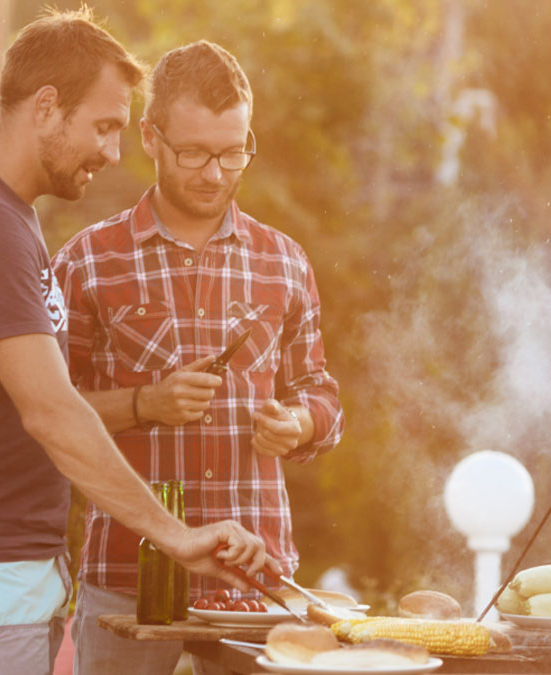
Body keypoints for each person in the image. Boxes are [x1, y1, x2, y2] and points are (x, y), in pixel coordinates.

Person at [0, 12, 278, 675]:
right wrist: (175, 534)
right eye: (103, 126)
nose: (112, 152)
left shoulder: (0, 216)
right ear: (46, 108)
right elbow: (53, 411)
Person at [52, 40, 345, 674]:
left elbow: (322, 393)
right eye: (193, 153)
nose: (214, 173)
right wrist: (143, 404)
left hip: (255, 579)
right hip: (126, 572)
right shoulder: (85, 263)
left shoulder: (284, 263)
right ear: (151, 138)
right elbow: (45, 413)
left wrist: (300, 425)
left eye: (232, 151)